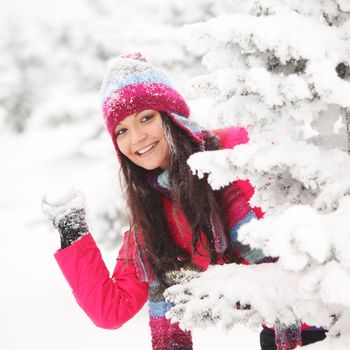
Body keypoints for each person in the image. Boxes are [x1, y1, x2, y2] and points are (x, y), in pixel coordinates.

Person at [42, 53, 326, 350]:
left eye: (146, 118)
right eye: (121, 130)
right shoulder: (152, 215)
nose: (136, 138)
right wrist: (72, 231)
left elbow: (318, 189)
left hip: (335, 312)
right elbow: (112, 310)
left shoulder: (236, 150)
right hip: (281, 334)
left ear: (172, 116)